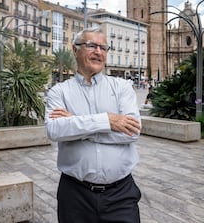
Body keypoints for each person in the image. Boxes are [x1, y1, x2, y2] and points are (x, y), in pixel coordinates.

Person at [45, 26, 142, 223]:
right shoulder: (59, 92)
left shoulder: (122, 87)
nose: (98, 52)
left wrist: (76, 125)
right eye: (91, 46)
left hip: (121, 195)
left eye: (103, 47)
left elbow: (132, 132)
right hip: (74, 195)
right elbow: (55, 130)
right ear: (75, 50)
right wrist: (107, 120)